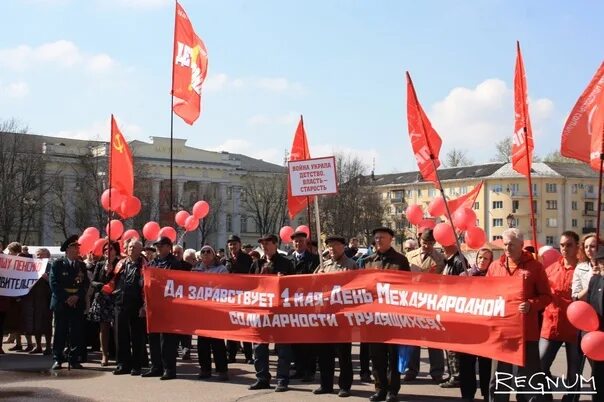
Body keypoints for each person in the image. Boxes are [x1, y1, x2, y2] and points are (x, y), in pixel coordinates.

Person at [487, 228, 552, 402]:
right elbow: (486, 294)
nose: (507, 248)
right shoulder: (494, 266)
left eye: (512, 245)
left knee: (528, 378)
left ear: (522, 246)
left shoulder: (535, 267)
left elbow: (546, 296)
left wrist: (531, 304)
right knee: (500, 377)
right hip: (501, 333)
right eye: (505, 244)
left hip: (526, 333)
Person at [364, 227, 410, 402]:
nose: (378, 240)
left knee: (393, 355)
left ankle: (393, 390)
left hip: (393, 316)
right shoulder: (368, 261)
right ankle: (380, 388)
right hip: (374, 317)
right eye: (376, 237)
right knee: (377, 356)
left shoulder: (400, 261)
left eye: (382, 237)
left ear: (391, 239)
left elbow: (407, 287)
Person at [249, 234, 295, 393]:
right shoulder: (257, 263)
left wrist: (283, 281)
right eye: (262, 244)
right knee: (259, 346)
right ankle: (262, 377)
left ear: (275, 244)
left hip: (280, 312)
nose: (265, 246)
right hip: (261, 311)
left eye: (268, 243)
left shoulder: (286, 263)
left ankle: (282, 379)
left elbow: (295, 286)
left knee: (283, 348)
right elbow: (250, 285)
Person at [313, 235, 358, 398]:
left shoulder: (351, 265)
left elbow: (356, 290)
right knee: (324, 353)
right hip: (325, 316)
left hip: (342, 317)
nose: (331, 249)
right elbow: (312, 286)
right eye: (329, 246)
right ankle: (325, 384)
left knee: (343, 354)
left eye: (335, 246)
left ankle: (345, 385)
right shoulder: (324, 265)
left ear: (343, 246)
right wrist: (319, 278)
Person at [539, 231, 580, 402]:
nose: (565, 248)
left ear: (577, 246)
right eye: (562, 245)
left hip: (575, 327)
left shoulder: (583, 269)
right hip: (551, 324)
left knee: (574, 373)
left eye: (569, 245)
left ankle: (570, 399)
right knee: (540, 366)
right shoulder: (551, 268)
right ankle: (546, 397)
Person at [142, 236, 188, 380]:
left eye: (161, 245)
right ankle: (156, 367)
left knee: (167, 340)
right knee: (154, 338)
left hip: (169, 306)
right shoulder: (153, 263)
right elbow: (145, 281)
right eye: (157, 246)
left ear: (169, 247)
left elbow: (177, 282)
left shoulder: (174, 263)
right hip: (154, 305)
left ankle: (169, 369)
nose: (158, 248)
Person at [404, 229, 446, 383]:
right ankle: (411, 370)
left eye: (430, 243)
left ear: (434, 243)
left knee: (434, 339)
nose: (427, 246)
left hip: (431, 302)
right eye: (424, 242)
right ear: (419, 241)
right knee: (413, 339)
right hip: (412, 301)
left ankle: (437, 371)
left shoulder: (440, 258)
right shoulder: (409, 256)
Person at [458, 247, 493, 402]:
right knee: (466, 363)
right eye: (480, 257)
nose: (482, 261)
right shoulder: (464, 275)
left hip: (487, 327)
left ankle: (487, 393)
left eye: (486, 258)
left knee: (486, 364)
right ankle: (467, 394)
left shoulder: (495, 279)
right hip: (468, 327)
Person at [50, 235, 90, 369]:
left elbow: (85, 284)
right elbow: (54, 284)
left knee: (76, 332)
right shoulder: (58, 264)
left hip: (77, 302)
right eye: (74, 248)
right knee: (60, 331)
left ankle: (74, 358)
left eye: (77, 248)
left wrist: (77, 296)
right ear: (67, 250)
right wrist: (67, 298)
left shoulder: (81, 266)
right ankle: (58, 358)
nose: (77, 250)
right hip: (62, 302)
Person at [192, 245, 229, 381]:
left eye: (209, 252)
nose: (206, 254)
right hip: (201, 311)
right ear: (200, 255)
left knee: (218, 343)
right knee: (202, 344)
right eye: (203, 252)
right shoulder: (196, 270)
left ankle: (222, 370)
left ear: (214, 255)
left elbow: (226, 287)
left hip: (216, 311)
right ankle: (205, 369)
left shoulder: (222, 270)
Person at [288, 230, 320, 382]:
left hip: (309, 305)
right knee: (296, 341)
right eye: (295, 241)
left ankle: (310, 370)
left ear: (305, 243)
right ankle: (299, 368)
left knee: (309, 342)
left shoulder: (314, 259)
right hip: (293, 306)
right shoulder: (288, 260)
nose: (298, 244)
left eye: (300, 241)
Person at [113, 240, 146, 376]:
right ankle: (122, 364)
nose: (131, 249)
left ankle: (137, 365)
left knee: (136, 337)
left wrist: (144, 305)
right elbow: (113, 281)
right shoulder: (121, 263)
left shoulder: (144, 265)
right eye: (130, 247)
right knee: (121, 336)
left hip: (136, 305)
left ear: (140, 250)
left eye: (134, 247)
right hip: (120, 304)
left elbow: (146, 287)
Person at [440, 244, 469, 389]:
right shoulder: (448, 261)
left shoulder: (459, 261)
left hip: (454, 308)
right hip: (446, 306)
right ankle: (453, 373)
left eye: (445, 244)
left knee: (453, 345)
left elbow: (464, 285)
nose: (442, 247)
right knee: (448, 345)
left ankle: (457, 376)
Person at [224, 235, 254, 364]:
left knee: (245, 327)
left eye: (234, 244)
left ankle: (248, 356)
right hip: (231, 298)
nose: (232, 246)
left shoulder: (247, 259)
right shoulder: (226, 260)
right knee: (231, 328)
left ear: (240, 244)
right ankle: (231, 355)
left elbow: (252, 276)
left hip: (245, 297)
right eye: (230, 244)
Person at [88, 241, 119, 366]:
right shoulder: (100, 264)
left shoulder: (120, 264)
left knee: (117, 328)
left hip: (116, 298)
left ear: (116, 251)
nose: (107, 250)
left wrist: (112, 271)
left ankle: (119, 354)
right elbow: (93, 282)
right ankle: (104, 355)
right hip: (102, 299)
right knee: (104, 328)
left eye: (110, 248)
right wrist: (102, 283)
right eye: (105, 248)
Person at [26, 248, 53, 355]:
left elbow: (54, 282)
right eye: (37, 255)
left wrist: (45, 277)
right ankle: (38, 346)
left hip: (47, 299)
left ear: (48, 256)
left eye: (42, 255)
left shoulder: (52, 267)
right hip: (34, 299)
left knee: (46, 324)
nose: (39, 257)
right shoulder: (31, 267)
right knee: (36, 323)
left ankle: (48, 347)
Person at [586, 248, 604, 402]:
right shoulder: (594, 279)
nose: (603, 263)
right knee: (598, 373)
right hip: (597, 335)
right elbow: (588, 306)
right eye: (600, 260)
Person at [172, 244, 192, 361]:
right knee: (174, 327)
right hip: (173, 301)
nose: (176, 255)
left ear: (182, 253)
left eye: (178, 252)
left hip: (185, 301)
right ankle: (174, 349)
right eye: (174, 252)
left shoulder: (188, 267)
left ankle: (186, 349)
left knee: (185, 326)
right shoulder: (169, 265)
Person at [572, 233, 599, 301]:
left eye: (592, 246)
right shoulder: (580, 268)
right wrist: (592, 282)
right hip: (587, 308)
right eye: (586, 247)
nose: (588, 250)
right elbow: (576, 297)